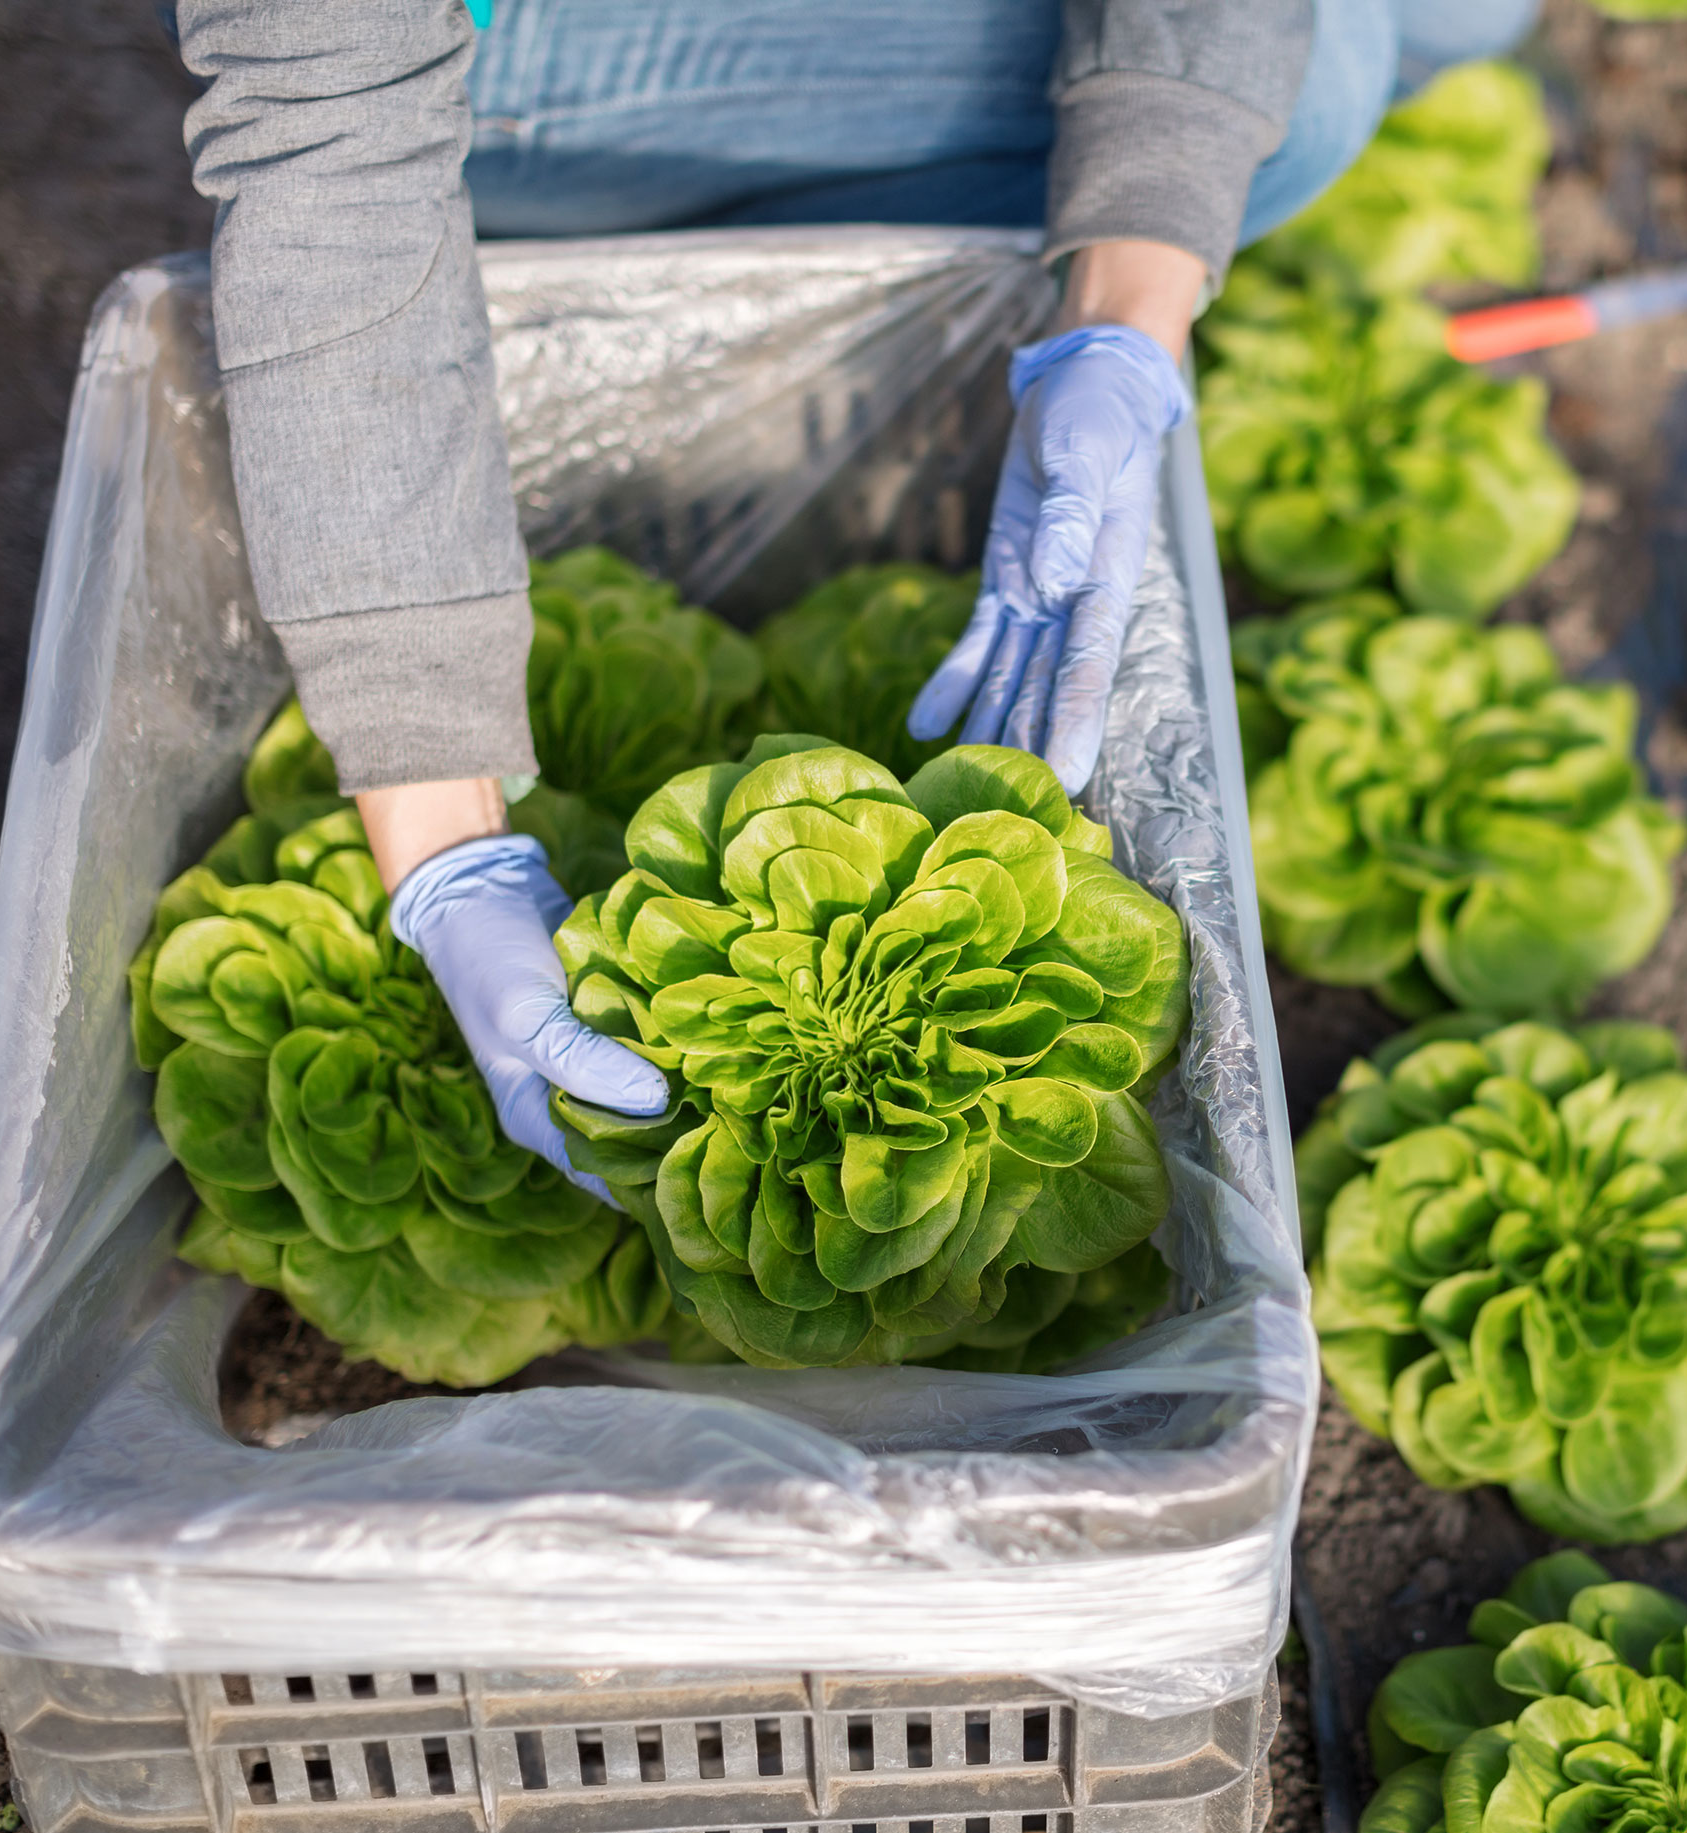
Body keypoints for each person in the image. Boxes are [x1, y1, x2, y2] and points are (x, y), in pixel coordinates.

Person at [169, 0, 1535, 1198]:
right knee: (1319, 78)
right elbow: (326, 122)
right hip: (460, 42)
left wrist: (1127, 311)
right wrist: (438, 826)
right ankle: (607, 215)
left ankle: (802, 213)